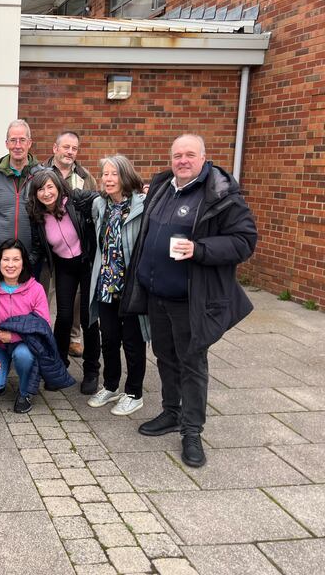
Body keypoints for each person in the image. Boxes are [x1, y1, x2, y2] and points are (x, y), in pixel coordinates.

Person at [122, 134, 257, 468]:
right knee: (165, 357)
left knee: (192, 363)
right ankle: (171, 412)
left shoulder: (219, 194)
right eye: (177, 155)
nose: (182, 160)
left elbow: (244, 241)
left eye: (189, 155)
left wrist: (200, 250)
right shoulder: (164, 187)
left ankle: (192, 431)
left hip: (190, 298)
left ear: (203, 157)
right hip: (157, 294)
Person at [27, 167, 101, 394]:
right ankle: (58, 367)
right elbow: (38, 249)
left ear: (58, 187)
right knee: (64, 316)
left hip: (86, 263)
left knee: (89, 318)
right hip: (64, 266)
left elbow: (100, 196)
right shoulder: (37, 215)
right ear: (35, 194)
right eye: (41, 189)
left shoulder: (76, 200)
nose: (46, 193)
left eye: (50, 187)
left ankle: (91, 371)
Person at [87, 155, 150, 416]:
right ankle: (111, 385)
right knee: (109, 339)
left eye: (114, 174)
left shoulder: (142, 205)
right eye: (105, 174)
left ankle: (134, 393)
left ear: (125, 176)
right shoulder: (99, 205)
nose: (108, 179)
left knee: (133, 342)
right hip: (106, 285)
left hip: (131, 287)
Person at [0, 239, 50, 414]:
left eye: (16, 259)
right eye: (6, 259)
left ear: (23, 262)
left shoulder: (35, 289)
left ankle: (25, 393)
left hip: (24, 345)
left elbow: (42, 327)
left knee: (23, 355)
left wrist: (14, 337)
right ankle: (1, 378)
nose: (10, 265)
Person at [41, 131, 96, 357]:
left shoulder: (85, 176)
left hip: (79, 252)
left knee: (78, 301)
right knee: (46, 293)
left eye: (74, 148)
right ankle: (44, 337)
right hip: (51, 248)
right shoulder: (41, 172)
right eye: (66, 147)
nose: (70, 152)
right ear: (55, 148)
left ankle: (75, 337)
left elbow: (94, 209)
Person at [0, 119, 40, 255]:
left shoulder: (41, 176)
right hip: (0, 252)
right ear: (6, 144)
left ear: (29, 143)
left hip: (31, 253)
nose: (17, 145)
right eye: (13, 140)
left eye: (22, 140)